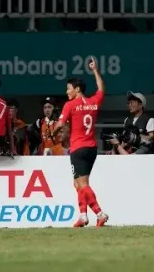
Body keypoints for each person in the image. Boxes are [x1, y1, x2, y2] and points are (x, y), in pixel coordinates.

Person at [52, 57, 108, 228]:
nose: (67, 92)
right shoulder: (93, 102)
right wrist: (95, 70)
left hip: (77, 148)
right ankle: (83, 215)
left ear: (77, 89)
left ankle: (100, 213)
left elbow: (60, 124)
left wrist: (53, 132)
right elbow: (101, 89)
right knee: (78, 183)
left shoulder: (70, 105)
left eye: (68, 89)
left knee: (82, 184)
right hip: (91, 148)